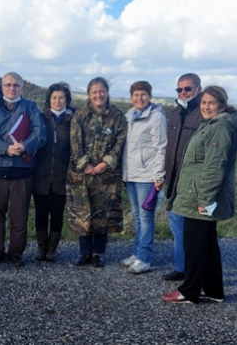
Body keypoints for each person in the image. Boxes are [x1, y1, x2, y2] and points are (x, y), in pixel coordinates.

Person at [161, 86, 237, 304]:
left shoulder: (220, 127)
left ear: (222, 106)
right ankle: (213, 290)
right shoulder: (210, 125)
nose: (206, 107)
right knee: (207, 243)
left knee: (195, 244)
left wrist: (205, 200)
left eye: (212, 103)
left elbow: (215, 166)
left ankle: (189, 290)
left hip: (200, 196)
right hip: (197, 194)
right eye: (204, 103)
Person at [0, 72, 46, 266]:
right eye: (7, 85)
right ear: (2, 87)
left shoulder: (31, 107)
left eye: (15, 85)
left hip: (22, 170)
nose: (11, 88)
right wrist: (5, 149)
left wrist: (26, 146)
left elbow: (39, 132)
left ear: (21, 88)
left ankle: (15, 253)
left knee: (19, 216)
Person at [67, 77, 127, 267]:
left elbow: (119, 142)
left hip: (106, 175)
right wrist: (84, 164)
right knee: (83, 213)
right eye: (94, 92)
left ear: (107, 92)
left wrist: (106, 163)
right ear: (89, 94)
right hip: (82, 174)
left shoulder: (118, 117)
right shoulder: (80, 116)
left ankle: (98, 254)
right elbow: (75, 142)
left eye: (101, 91)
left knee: (103, 214)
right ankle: (84, 253)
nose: (98, 95)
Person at [120, 81, 167, 274]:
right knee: (138, 217)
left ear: (150, 95)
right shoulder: (130, 116)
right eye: (136, 94)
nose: (139, 98)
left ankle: (144, 258)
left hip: (147, 176)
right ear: (131, 97)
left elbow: (161, 147)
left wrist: (158, 175)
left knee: (146, 218)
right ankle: (137, 253)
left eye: (143, 94)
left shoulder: (156, 117)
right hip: (130, 174)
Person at [162, 73, 203, 281]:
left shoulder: (203, 113)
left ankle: (195, 272)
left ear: (198, 88)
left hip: (192, 183)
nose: (183, 93)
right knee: (177, 226)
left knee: (193, 231)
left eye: (188, 89)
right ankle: (181, 267)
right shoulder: (176, 113)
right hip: (173, 180)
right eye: (179, 89)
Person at [32, 82, 74, 262]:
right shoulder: (40, 118)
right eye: (54, 97)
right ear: (49, 100)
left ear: (67, 100)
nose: (58, 101)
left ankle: (52, 249)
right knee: (41, 212)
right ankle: (41, 248)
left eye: (61, 97)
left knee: (57, 213)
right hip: (40, 175)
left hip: (62, 176)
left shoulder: (72, 121)